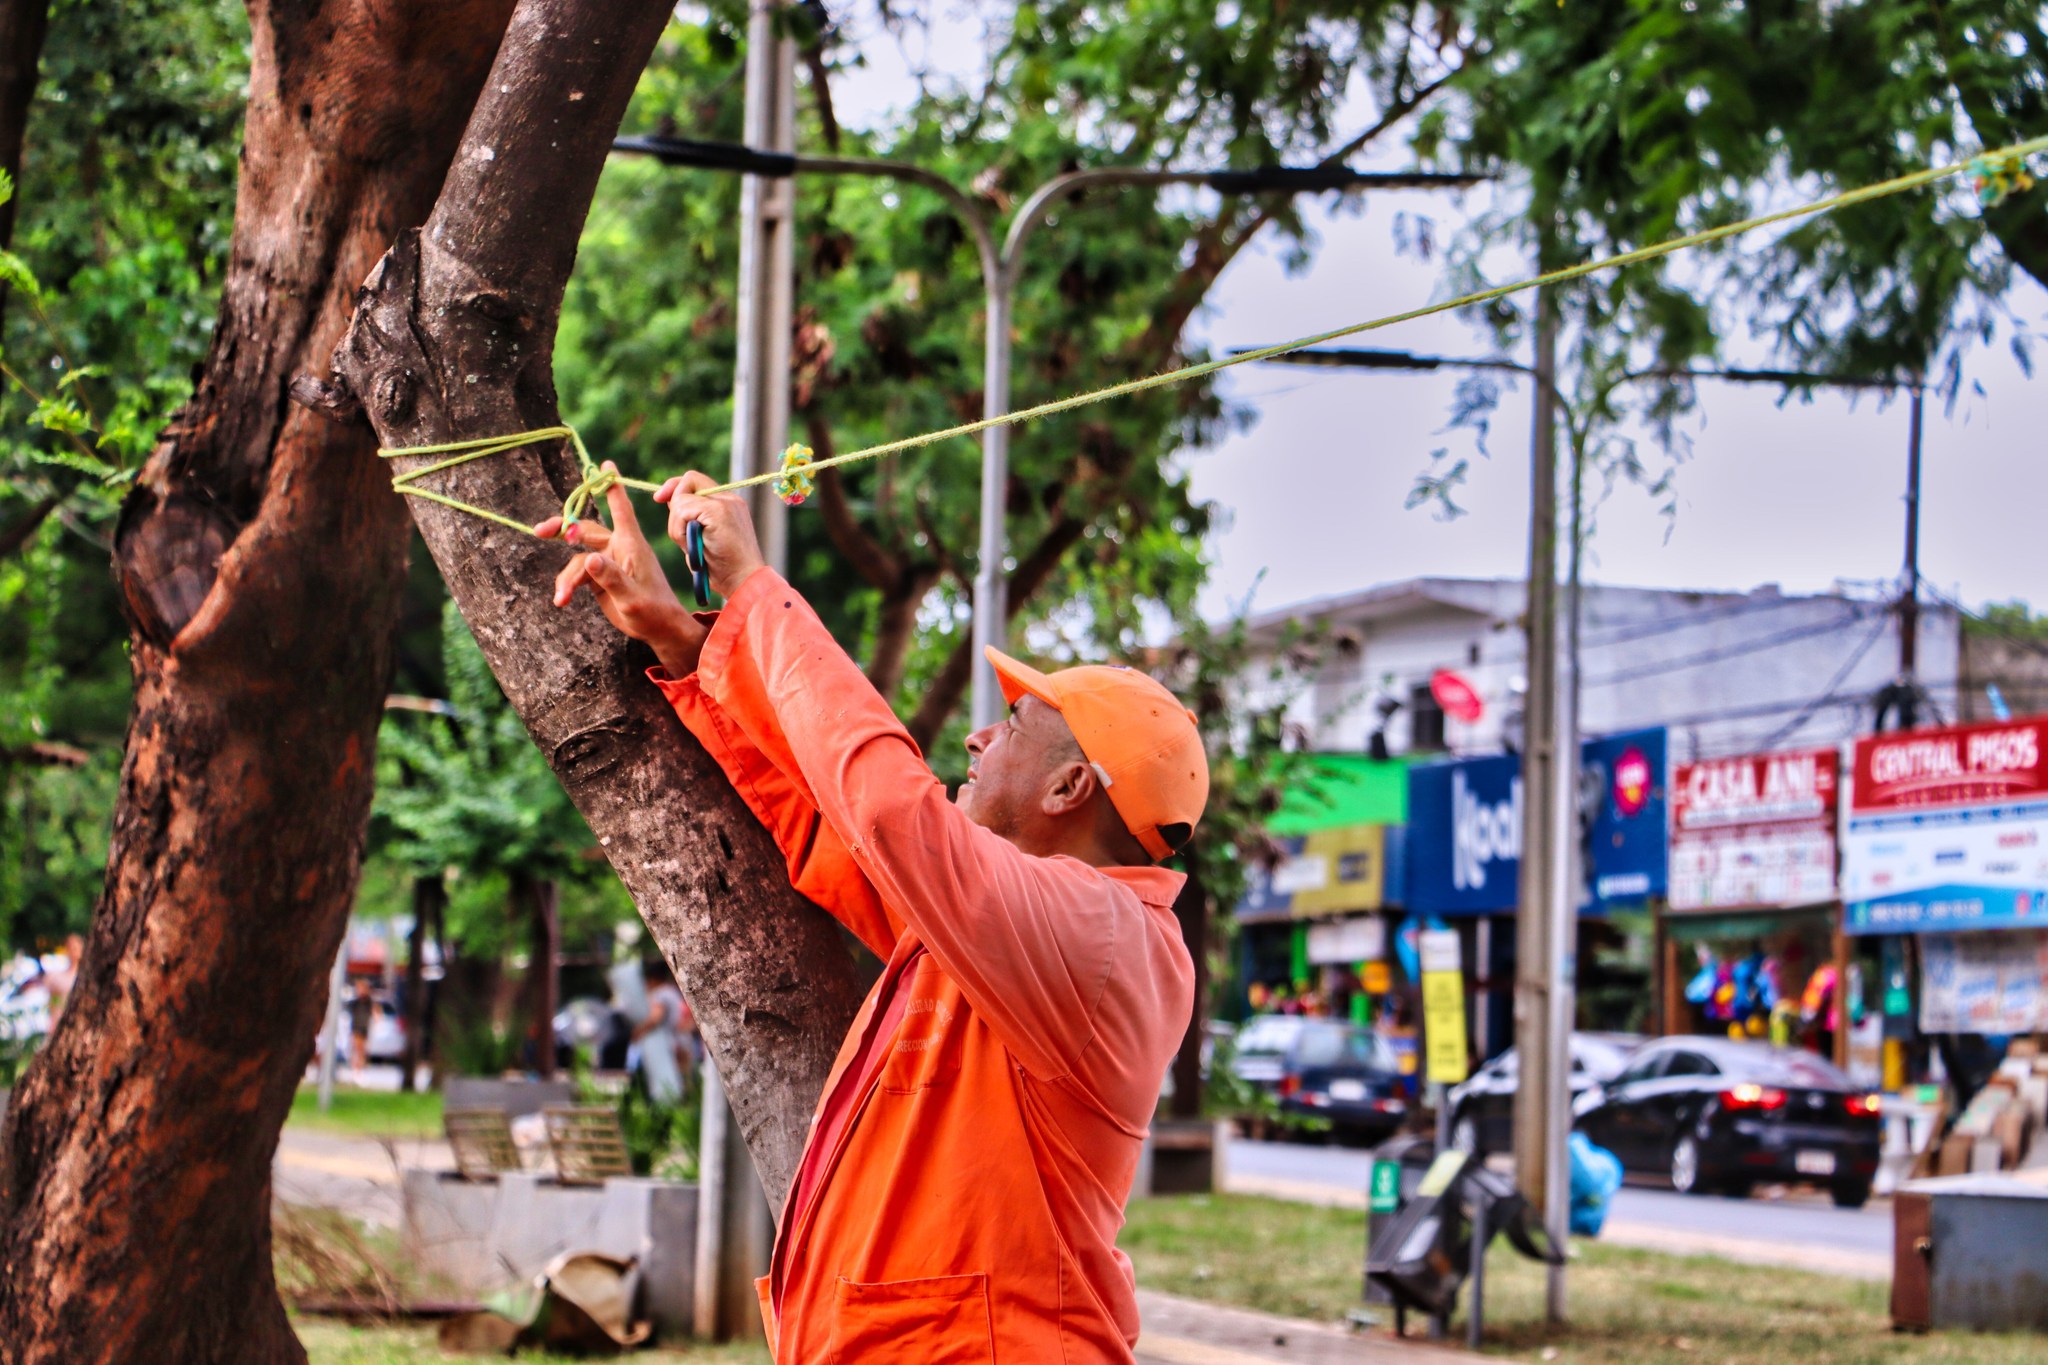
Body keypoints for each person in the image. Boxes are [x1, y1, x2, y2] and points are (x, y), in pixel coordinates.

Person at [536, 465, 1207, 1363]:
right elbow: (829, 823)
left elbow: (890, 812)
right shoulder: (994, 929)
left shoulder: (1107, 942)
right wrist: (682, 640)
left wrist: (754, 591)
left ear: (1070, 785)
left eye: (1011, 722)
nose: (976, 736)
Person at [632, 959, 690, 1105]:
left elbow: (656, 1018)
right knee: (682, 1081)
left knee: (669, 1084)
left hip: (670, 1043)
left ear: (652, 979)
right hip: (681, 1040)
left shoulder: (660, 994)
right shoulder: (672, 991)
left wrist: (639, 1031)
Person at [346, 978, 374, 1080]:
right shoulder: (355, 1003)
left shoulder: (369, 1002)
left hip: (364, 1029)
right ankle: (356, 1070)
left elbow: (376, 1013)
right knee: (357, 1050)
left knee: (362, 1051)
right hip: (356, 1028)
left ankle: (360, 1070)